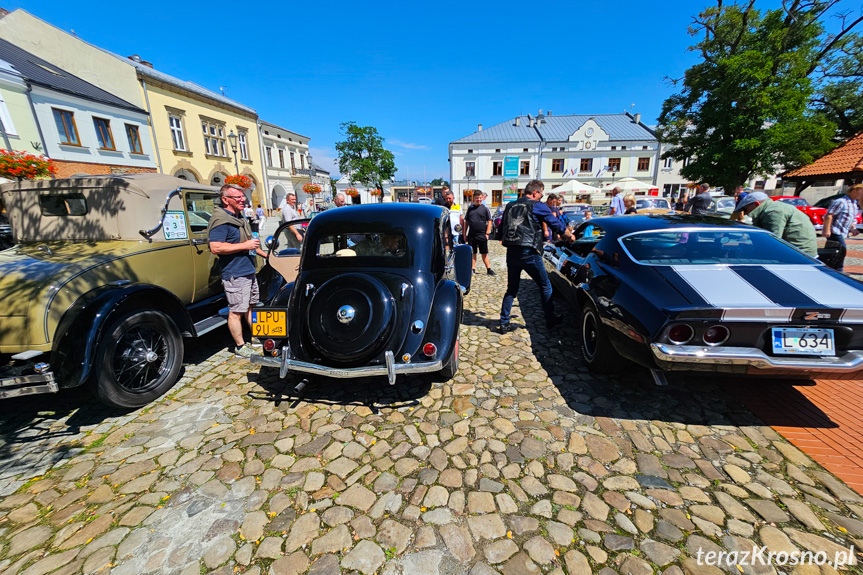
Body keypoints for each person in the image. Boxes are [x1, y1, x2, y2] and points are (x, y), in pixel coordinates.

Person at [499, 180, 575, 333]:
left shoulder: (509, 205)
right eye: (541, 193)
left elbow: (501, 229)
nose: (541, 197)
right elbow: (555, 223)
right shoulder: (537, 205)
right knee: (545, 285)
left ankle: (504, 322)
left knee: (512, 289)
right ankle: (550, 320)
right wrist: (569, 236)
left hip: (512, 252)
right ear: (535, 192)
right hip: (529, 251)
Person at [208, 184, 268, 357]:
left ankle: (256, 337)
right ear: (225, 199)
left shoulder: (239, 218)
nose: (243, 200)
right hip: (235, 273)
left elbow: (251, 244)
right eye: (238, 197)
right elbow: (215, 247)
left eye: (243, 197)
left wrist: (268, 256)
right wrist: (245, 245)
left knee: (251, 306)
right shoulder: (221, 221)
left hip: (248, 269)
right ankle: (240, 346)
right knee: (236, 311)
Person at [732, 191, 818, 257]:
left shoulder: (773, 211)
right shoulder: (770, 208)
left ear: (756, 204)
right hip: (794, 251)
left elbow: (772, 240)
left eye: (745, 209)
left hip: (801, 254)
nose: (746, 213)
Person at [822, 184, 863, 271]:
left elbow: (849, 218)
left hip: (843, 231)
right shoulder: (840, 201)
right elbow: (829, 215)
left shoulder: (854, 204)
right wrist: (827, 229)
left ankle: (826, 267)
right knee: (841, 250)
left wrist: (853, 228)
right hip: (835, 231)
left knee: (832, 251)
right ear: (854, 191)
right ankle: (839, 268)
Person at [465, 190, 495, 275]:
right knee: (473, 252)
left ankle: (489, 269)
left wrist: (487, 233)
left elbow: (489, 220)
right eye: (477, 198)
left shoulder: (485, 209)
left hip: (482, 234)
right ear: (474, 198)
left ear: (482, 198)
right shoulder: (470, 209)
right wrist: (464, 234)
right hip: (471, 235)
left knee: (484, 252)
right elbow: (466, 221)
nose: (479, 200)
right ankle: (473, 269)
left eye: (480, 198)